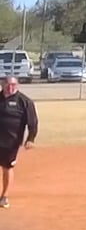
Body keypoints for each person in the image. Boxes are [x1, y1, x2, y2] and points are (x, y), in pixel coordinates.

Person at [0, 76, 40, 209]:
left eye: (13, 85)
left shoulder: (24, 101)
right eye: (8, 85)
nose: (10, 87)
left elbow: (32, 122)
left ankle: (4, 196)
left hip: (11, 141)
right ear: (2, 85)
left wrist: (31, 138)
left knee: (7, 167)